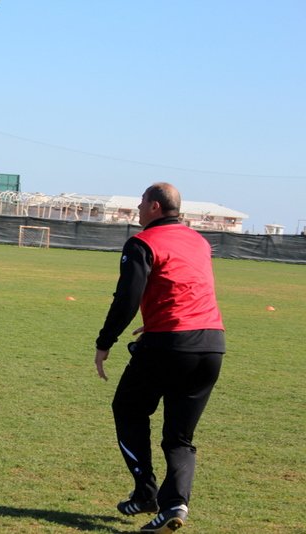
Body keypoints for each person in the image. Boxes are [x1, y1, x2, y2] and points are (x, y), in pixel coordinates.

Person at [93, 183, 224, 533]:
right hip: (211, 344)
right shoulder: (199, 241)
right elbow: (185, 285)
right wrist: (155, 322)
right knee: (179, 437)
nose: (136, 209)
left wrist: (105, 341)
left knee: (127, 409)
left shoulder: (142, 242)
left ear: (153, 206)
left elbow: (127, 298)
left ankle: (146, 490)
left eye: (139, 204)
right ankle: (175, 505)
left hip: (169, 345)